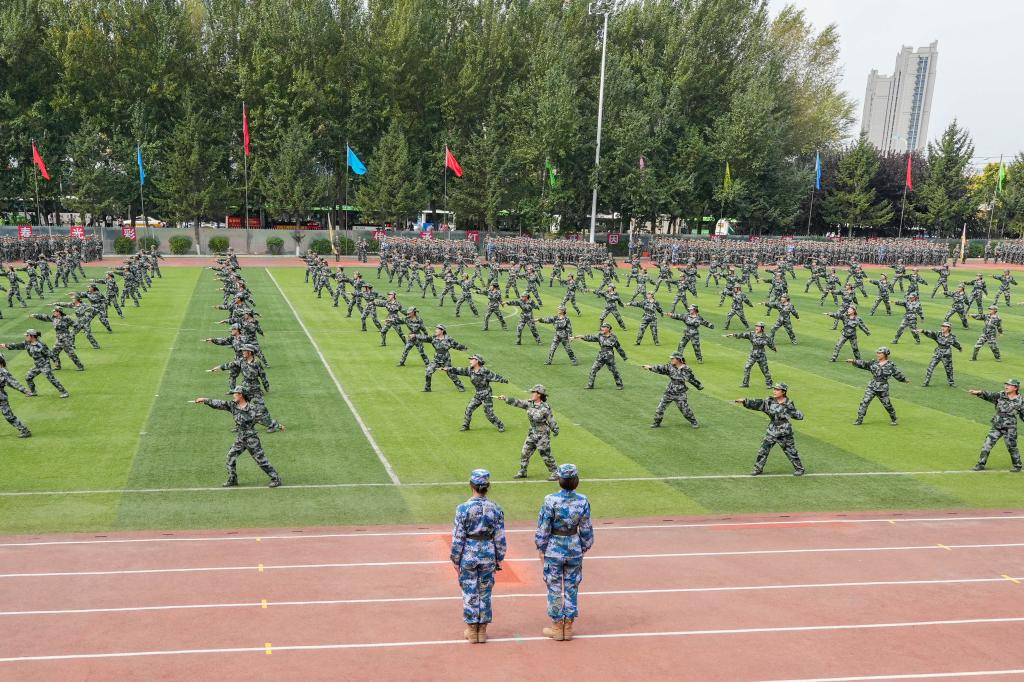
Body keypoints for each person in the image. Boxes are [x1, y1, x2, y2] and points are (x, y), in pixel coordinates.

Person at [535, 463, 594, 642]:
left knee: (554, 587)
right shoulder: (582, 500)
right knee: (571, 587)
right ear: (576, 481)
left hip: (554, 548)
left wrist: (541, 547)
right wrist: (584, 546)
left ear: (560, 480)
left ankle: (556, 627)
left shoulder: (550, 500)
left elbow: (544, 526)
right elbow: (586, 528)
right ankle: (568, 627)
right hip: (574, 547)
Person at [450, 468, 507, 644]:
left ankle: (471, 630)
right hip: (488, 553)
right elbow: (500, 537)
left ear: (471, 485)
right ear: (488, 486)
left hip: (468, 553)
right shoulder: (495, 508)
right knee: (485, 591)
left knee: (469, 591)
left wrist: (455, 558)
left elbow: (458, 537)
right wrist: (499, 557)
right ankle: (482, 630)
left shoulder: (463, 508)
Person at [192, 385, 282, 488]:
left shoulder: (252, 409)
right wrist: (205, 400)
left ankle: (276, 479)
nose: (233, 395)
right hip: (241, 438)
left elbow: (265, 420)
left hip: (252, 439)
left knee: (261, 460)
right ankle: (233, 479)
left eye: (235, 393)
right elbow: (219, 403)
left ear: (241, 395)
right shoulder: (233, 406)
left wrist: (278, 425)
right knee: (231, 457)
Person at [735, 383, 805, 476]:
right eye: (774, 389)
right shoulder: (769, 401)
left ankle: (800, 469)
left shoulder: (788, 404)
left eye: (777, 390)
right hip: (772, 430)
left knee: (791, 451)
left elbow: (797, 416)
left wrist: (797, 414)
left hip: (785, 432)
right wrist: (745, 401)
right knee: (763, 450)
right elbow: (758, 403)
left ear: (783, 392)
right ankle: (758, 469)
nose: (774, 391)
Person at [499, 384, 560, 480]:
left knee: (545, 454)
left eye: (534, 392)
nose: (532, 394)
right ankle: (523, 471)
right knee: (525, 452)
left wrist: (555, 429)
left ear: (539, 394)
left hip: (542, 435)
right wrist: (506, 398)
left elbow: (551, 420)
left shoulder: (545, 407)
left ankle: (556, 472)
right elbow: (518, 402)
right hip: (532, 433)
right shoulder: (529, 404)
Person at [968, 380, 1024, 472]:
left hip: (1010, 428)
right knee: (987, 444)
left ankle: (1017, 465)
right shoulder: (1001, 395)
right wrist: (978, 392)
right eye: (1006, 384)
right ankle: (980, 464)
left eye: (1009, 385)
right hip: (997, 425)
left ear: (1015, 388)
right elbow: (989, 395)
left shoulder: (1021, 400)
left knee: (1012, 447)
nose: (1006, 386)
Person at [848, 347, 908, 426]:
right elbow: (864, 364)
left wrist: (904, 380)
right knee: (864, 402)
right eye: (877, 353)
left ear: (885, 354)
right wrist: (854, 361)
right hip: (872, 386)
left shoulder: (890, 365)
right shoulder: (874, 363)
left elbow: (897, 374)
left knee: (887, 404)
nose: (878, 355)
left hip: (882, 388)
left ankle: (894, 418)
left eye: (880, 353)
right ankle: (859, 419)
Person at [446, 354, 508, 432]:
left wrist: (504, 380)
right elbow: (459, 370)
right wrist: (448, 369)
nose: (470, 361)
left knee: (489, 415)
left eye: (472, 359)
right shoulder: (470, 370)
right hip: (478, 395)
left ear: (477, 361)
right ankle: (466, 426)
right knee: (469, 409)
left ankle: (500, 425)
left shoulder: (484, 371)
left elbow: (495, 376)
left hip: (486, 395)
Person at [0, 329, 68, 398]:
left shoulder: (40, 345)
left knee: (51, 379)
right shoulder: (27, 343)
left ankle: (64, 392)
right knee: (28, 377)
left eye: (27, 335)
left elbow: (49, 353)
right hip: (37, 365)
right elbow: (18, 345)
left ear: (32, 336)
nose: (26, 337)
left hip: (45, 365)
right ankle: (33, 392)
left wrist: (56, 361)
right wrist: (6, 345)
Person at [643, 352, 703, 429]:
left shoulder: (686, 369)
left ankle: (694, 422)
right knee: (660, 408)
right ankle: (657, 422)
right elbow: (660, 368)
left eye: (672, 358)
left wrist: (699, 386)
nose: (671, 360)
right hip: (669, 392)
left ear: (678, 359)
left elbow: (692, 379)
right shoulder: (669, 367)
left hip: (680, 393)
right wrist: (650, 367)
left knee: (685, 410)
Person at [573, 323, 627, 390]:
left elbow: (618, 347)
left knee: (614, 371)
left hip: (609, 357)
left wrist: (624, 356)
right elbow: (590, 338)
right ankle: (590, 385)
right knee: (593, 369)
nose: (602, 329)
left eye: (604, 327)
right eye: (602, 327)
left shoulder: (613, 337)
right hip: (601, 356)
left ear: (608, 328)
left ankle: (620, 385)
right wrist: (581, 337)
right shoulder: (599, 335)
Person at [725, 322, 776, 388]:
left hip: (761, 356)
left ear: (762, 328)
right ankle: (745, 384)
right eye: (756, 326)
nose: (756, 328)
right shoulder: (751, 334)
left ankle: (769, 384)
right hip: (753, 355)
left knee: (765, 370)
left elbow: (770, 344)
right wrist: (733, 334)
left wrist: (774, 348)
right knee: (747, 367)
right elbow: (742, 335)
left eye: (758, 326)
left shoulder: (766, 336)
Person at [424, 325, 467, 392]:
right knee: (428, 371)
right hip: (436, 360)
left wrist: (463, 347)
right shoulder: (433, 338)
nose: (435, 330)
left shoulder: (448, 338)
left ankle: (461, 387)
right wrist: (415, 336)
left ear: (442, 330)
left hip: (446, 360)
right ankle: (427, 388)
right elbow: (424, 338)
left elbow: (456, 345)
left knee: (451, 373)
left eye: (437, 329)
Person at [918, 321, 962, 387]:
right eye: (942, 326)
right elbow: (931, 333)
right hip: (938, 352)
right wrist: (923, 331)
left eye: (944, 327)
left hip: (947, 354)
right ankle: (926, 382)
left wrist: (959, 348)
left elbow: (955, 343)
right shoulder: (938, 334)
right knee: (931, 367)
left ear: (949, 328)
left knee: (949, 369)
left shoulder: (952, 336)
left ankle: (951, 383)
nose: (942, 328)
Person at [0, 353, 32, 437]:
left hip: (1, 397)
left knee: (8, 416)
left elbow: (12, 382)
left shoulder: (3, 372)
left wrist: (24, 390)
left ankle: (25, 431)